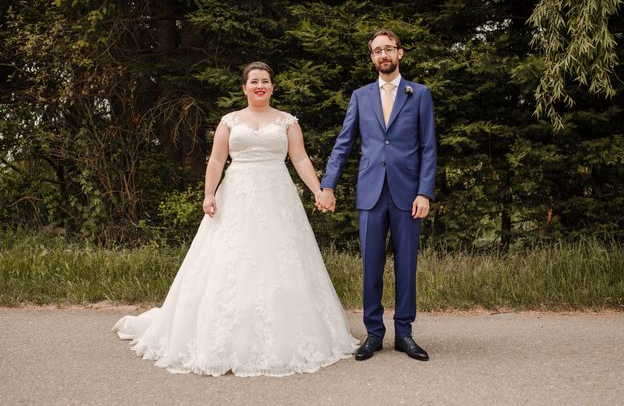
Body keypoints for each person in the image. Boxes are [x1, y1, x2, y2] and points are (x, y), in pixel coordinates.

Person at [113, 62, 357, 377]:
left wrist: (319, 191)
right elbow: (217, 158)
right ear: (244, 87)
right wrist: (209, 194)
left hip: (276, 197)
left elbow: (299, 158)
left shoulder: (287, 122)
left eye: (265, 81)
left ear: (272, 87)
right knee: (230, 262)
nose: (260, 86)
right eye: (254, 81)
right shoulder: (230, 121)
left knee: (279, 260)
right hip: (236, 195)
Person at [316, 29, 436, 361]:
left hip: (408, 193)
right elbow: (343, 145)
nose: (383, 55)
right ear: (372, 57)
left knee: (406, 265)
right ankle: (373, 333)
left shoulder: (420, 94)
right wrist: (328, 185)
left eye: (388, 49)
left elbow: (428, 148)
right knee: (371, 265)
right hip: (370, 192)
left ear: (400, 53)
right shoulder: (360, 96)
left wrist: (424, 192)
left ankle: (405, 334)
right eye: (376, 51)